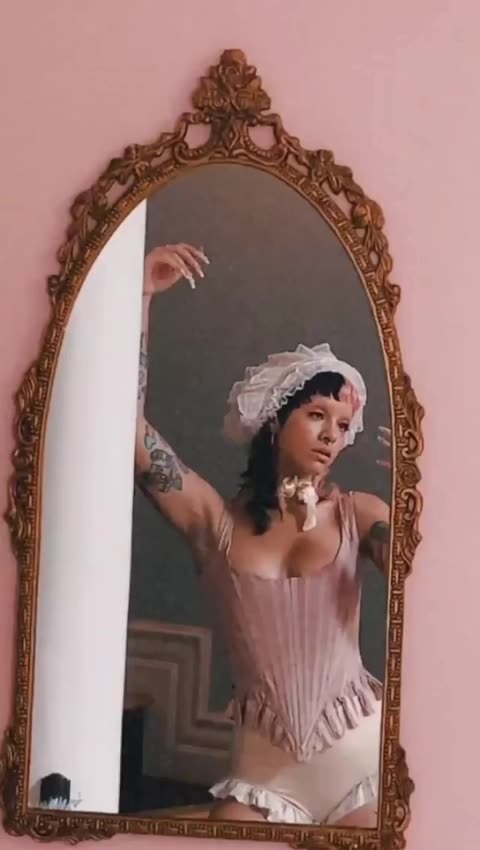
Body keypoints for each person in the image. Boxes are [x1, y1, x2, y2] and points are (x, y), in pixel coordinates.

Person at [135, 243, 391, 827]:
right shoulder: (214, 524)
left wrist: (420, 492)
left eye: (343, 425)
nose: (332, 435)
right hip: (263, 775)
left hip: (361, 765)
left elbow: (422, 570)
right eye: (317, 415)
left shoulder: (358, 513)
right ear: (276, 419)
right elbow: (129, 431)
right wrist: (142, 297)